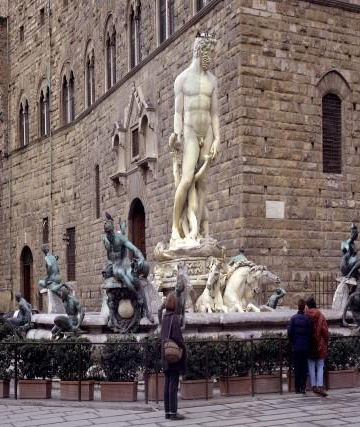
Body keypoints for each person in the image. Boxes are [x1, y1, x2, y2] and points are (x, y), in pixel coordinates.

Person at [170, 31, 220, 244]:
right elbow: (178, 113)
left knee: (203, 184)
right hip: (190, 132)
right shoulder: (182, 80)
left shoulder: (213, 81)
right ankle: (175, 227)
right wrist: (177, 134)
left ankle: (197, 231)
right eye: (210, 52)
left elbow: (215, 113)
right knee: (187, 179)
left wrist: (218, 138)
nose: (213, 57)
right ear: (200, 51)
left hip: (207, 132)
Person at [160, 293, 187, 420]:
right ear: (174, 305)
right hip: (173, 355)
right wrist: (183, 346)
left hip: (165, 354)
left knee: (167, 384)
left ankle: (167, 412)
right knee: (173, 384)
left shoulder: (164, 317)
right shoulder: (174, 318)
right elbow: (177, 336)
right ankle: (173, 413)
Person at [288, 299, 312, 394]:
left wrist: (292, 342)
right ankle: (303, 386)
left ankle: (297, 388)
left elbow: (289, 332)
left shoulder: (293, 318)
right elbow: (310, 333)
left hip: (296, 346)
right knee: (304, 367)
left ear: (298, 307)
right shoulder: (307, 319)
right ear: (304, 308)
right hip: (305, 346)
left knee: (297, 367)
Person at [305, 296, 328, 397]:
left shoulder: (305, 315)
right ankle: (319, 386)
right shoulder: (321, 316)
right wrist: (325, 341)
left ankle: (313, 386)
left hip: (309, 344)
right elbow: (325, 331)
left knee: (310, 365)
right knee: (320, 365)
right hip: (320, 344)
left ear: (308, 306)